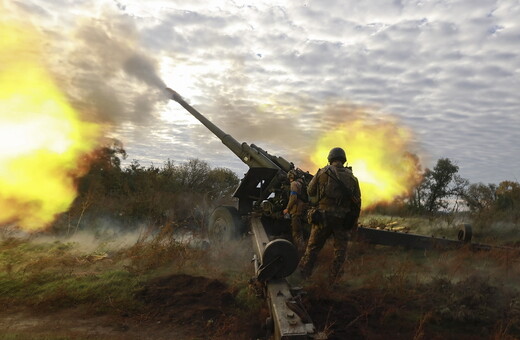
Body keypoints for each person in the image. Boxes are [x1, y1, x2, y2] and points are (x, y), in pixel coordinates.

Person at [298, 147, 361, 285]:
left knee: (313, 249)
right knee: (340, 253)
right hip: (342, 220)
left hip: (323, 218)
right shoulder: (352, 178)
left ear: (330, 159)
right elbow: (357, 203)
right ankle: (333, 281)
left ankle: (303, 276)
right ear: (344, 160)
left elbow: (310, 191)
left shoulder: (322, 172)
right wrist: (352, 221)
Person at [283, 170, 306, 253]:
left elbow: (293, 198)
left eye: (290, 177)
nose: (290, 179)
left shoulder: (294, 184)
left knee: (296, 232)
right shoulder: (301, 183)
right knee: (300, 230)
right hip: (301, 209)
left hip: (296, 210)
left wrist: (287, 209)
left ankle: (299, 251)